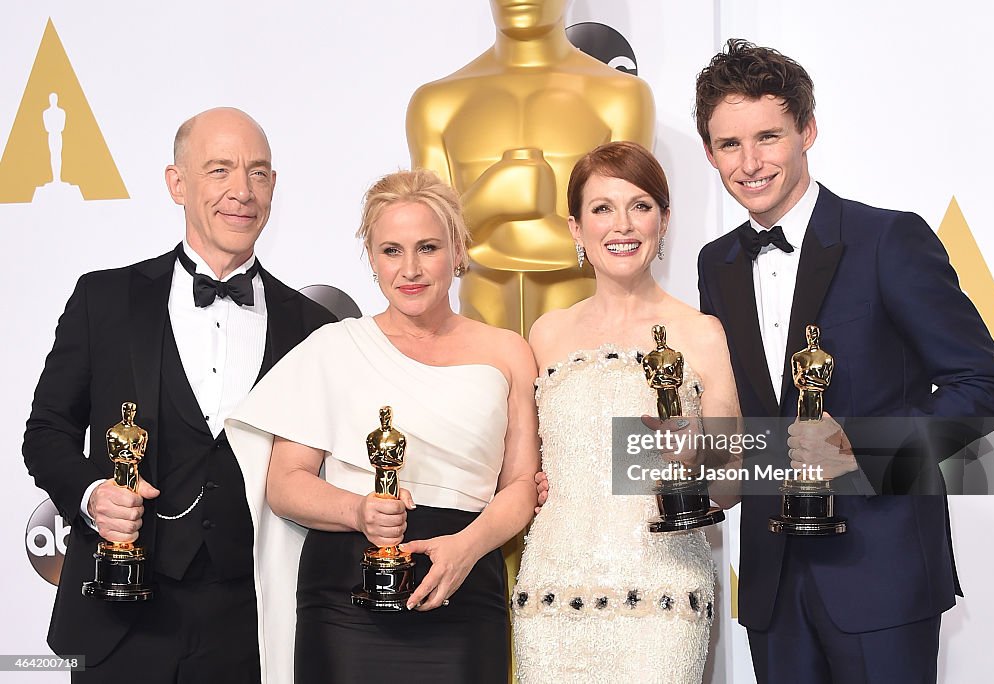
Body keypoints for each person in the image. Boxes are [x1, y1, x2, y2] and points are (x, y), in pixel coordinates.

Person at [695, 39, 994, 683]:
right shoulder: (716, 263)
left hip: (882, 576)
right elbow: (753, 418)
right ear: (709, 151)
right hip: (772, 586)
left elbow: (985, 385)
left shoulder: (888, 239)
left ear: (807, 131)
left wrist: (861, 449)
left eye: (769, 136)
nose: (751, 163)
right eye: (730, 144)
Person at [21, 107, 336, 683]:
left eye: (259, 173)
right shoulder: (104, 299)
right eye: (219, 170)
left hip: (254, 624)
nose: (241, 191)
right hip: (118, 616)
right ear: (177, 184)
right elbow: (45, 433)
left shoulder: (312, 326)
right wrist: (93, 494)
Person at [224, 168, 540, 684]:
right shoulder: (332, 348)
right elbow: (285, 484)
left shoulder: (507, 352)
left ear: (458, 251)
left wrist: (466, 548)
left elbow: (522, 484)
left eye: (428, 247)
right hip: (345, 599)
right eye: (391, 250)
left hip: (465, 587)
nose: (410, 269)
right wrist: (358, 512)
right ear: (371, 258)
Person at [512, 141, 741, 684]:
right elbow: (526, 469)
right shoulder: (546, 334)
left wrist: (696, 459)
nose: (623, 225)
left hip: (664, 593)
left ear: (664, 221)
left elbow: (731, 481)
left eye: (640, 206)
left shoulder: (701, 333)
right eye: (602, 208)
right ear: (575, 227)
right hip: (553, 592)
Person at [407, 0, 655, 336]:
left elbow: (624, 237)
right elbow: (427, 242)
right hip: (476, 335)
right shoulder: (436, 104)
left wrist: (486, 231)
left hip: (588, 338)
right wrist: (489, 199)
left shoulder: (621, 97)